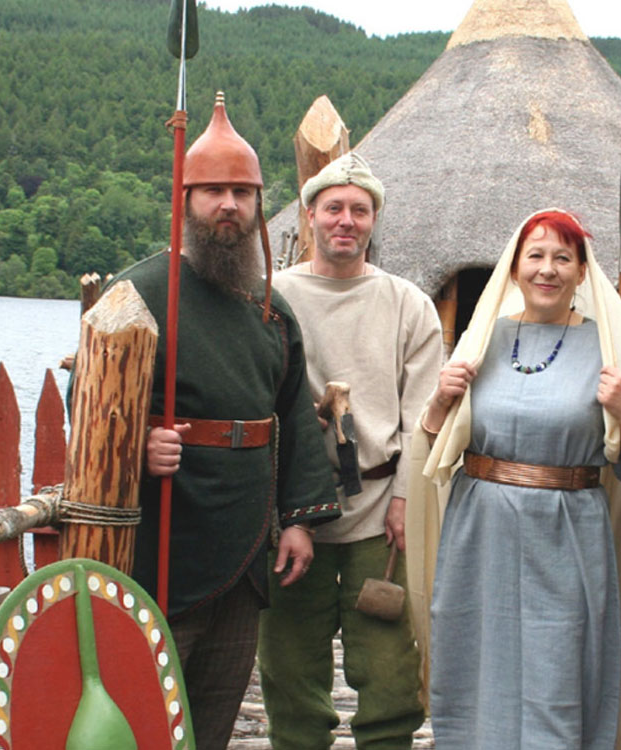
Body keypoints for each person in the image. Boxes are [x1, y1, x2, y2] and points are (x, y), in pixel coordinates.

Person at [117, 92, 339, 750]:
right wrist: (138, 444)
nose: (228, 206)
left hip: (245, 547)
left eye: (241, 193)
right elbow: (96, 400)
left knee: (213, 714)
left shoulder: (268, 309)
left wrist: (298, 518)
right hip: (164, 543)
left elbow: (295, 413)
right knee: (145, 708)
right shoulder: (140, 293)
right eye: (212, 190)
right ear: (184, 199)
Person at [407, 209, 621, 749]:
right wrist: (440, 400)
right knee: (476, 664)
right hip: (480, 534)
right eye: (536, 256)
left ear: (580, 272)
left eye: (561, 258)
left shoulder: (610, 352)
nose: (547, 269)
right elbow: (436, 446)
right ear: (514, 268)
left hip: (567, 535)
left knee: (557, 670)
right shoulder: (482, 343)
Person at [258, 152, 440, 750]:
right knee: (290, 673)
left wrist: (406, 497)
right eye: (333, 208)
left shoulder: (407, 303)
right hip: (291, 514)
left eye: (359, 211)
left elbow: (423, 414)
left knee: (388, 673)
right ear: (310, 215)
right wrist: (283, 509)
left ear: (372, 221)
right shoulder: (274, 299)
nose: (346, 220)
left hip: (378, 512)